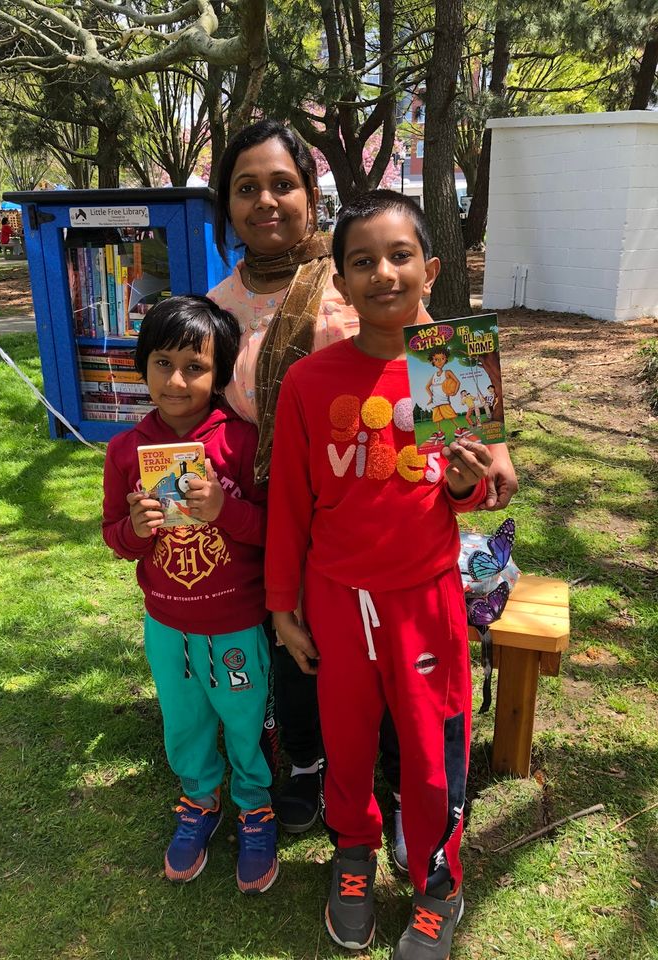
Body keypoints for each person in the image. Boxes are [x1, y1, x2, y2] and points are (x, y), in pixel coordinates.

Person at [266, 190, 493, 959]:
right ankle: (355, 851)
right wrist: (281, 605)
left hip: (425, 600)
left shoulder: (450, 364)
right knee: (348, 742)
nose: (383, 274)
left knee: (432, 758)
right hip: (333, 599)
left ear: (430, 270)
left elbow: (493, 480)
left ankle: (439, 882)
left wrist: (468, 482)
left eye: (400, 257)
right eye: (362, 261)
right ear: (340, 280)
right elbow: (290, 506)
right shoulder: (309, 382)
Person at [207, 119, 405, 854]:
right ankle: (306, 758)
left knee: (377, 644)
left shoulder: (360, 273)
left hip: (375, 504)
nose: (266, 201)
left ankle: (390, 765)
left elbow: (442, 372)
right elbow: (198, 412)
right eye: (246, 187)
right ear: (226, 205)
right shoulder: (217, 306)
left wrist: (479, 456)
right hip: (266, 511)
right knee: (289, 640)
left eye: (281, 183)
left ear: (310, 193)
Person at [102, 295, 279, 894]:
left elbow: (275, 531)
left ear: (221, 373)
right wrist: (136, 529)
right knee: (184, 721)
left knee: (244, 717)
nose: (176, 380)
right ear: (141, 365)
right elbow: (115, 540)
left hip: (234, 624)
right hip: (167, 627)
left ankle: (255, 806)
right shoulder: (126, 452)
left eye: (195, 366)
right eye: (161, 362)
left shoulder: (242, 442)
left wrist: (225, 510)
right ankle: (199, 800)